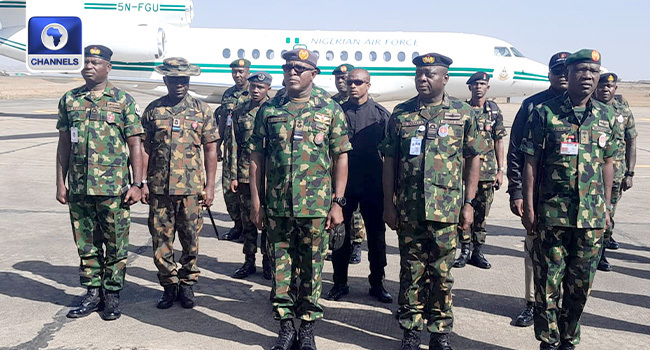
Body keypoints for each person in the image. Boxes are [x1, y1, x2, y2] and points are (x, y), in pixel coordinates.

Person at [249, 48, 351, 350]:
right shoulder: (269, 109)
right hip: (278, 207)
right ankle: (285, 327)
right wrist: (257, 202)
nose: (292, 72)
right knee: (281, 268)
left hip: (316, 207)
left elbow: (340, 158)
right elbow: (257, 158)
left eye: (299, 68)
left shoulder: (329, 109)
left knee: (312, 268)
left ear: (313, 74)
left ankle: (307, 329)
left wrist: (338, 202)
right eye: (288, 67)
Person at [521, 49, 622, 350]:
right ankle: (548, 342)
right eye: (581, 70)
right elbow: (530, 162)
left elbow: (608, 163)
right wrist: (528, 206)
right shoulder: (545, 112)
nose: (589, 76)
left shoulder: (607, 117)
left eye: (594, 70)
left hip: (590, 217)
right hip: (552, 215)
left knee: (581, 286)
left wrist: (605, 208)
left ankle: (569, 339)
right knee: (548, 284)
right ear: (569, 73)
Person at [381, 53, 481, 350]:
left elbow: (472, 160)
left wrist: (469, 203)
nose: (423, 79)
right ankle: (411, 331)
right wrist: (389, 203)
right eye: (419, 74)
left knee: (442, 274)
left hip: (447, 211)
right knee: (410, 271)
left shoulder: (463, 114)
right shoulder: (401, 114)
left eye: (430, 74)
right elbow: (390, 162)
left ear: (445, 78)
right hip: (410, 210)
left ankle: (439, 333)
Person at [55, 45, 144, 321]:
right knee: (86, 244)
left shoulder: (123, 101)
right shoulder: (70, 100)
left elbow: (135, 146)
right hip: (80, 188)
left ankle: (112, 295)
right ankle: (92, 293)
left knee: (116, 244)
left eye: (95, 62)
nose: (88, 66)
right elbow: (63, 145)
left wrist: (138, 183)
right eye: (86, 61)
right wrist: (61, 183)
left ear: (108, 67)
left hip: (114, 190)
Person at [141, 57, 218, 309]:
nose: (179, 85)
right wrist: (142, 182)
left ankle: (187, 285)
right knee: (161, 240)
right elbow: (145, 149)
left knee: (190, 240)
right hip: (160, 188)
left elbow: (210, 150)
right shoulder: (153, 110)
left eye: (183, 80)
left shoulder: (202, 110)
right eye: (174, 80)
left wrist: (209, 187)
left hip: (191, 189)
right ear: (165, 80)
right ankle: (168, 285)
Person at [506, 51, 570, 327]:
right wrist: (517, 191)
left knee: (570, 257)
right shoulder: (532, 106)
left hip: (573, 199)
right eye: (558, 72)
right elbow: (516, 151)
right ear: (550, 75)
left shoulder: (584, 106)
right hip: (538, 195)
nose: (563, 76)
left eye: (568, 71)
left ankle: (563, 305)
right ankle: (532, 303)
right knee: (533, 252)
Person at [326, 68, 392, 303]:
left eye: (358, 82)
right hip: (344, 185)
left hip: (373, 184)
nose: (352, 85)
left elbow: (391, 156)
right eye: (350, 82)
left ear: (368, 85)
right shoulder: (337, 113)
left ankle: (377, 283)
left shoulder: (381, 115)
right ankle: (339, 283)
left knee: (376, 236)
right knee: (340, 235)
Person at [453, 71, 506, 269]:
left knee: (482, 214)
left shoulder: (493, 111)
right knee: (464, 211)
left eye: (482, 84)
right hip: (465, 173)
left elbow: (499, 141)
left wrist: (501, 170)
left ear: (487, 87)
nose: (478, 87)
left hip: (487, 172)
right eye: (475, 84)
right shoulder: (463, 110)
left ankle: (478, 251)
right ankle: (465, 249)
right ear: (470, 87)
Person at [229, 71, 273, 280]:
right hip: (246, 174)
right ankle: (249, 261)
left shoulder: (275, 110)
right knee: (248, 221)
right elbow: (234, 145)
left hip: (270, 176)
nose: (256, 90)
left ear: (268, 89)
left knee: (269, 222)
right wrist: (234, 175)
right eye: (253, 86)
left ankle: (268, 262)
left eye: (260, 87)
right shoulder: (239, 111)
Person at [594, 72, 637, 271]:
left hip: (616, 174)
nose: (605, 89)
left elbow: (631, 142)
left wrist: (630, 173)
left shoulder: (623, 112)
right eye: (602, 86)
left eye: (610, 87)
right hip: (591, 173)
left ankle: (601, 253)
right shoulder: (590, 109)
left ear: (615, 89)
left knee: (608, 212)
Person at [217, 59, 251, 241]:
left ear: (248, 72)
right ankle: (237, 224)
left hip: (246, 150)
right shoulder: (228, 94)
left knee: (245, 190)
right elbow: (223, 119)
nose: (238, 75)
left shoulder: (254, 92)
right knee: (228, 189)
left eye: (241, 72)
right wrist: (217, 143)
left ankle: (249, 228)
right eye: (235, 72)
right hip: (230, 149)